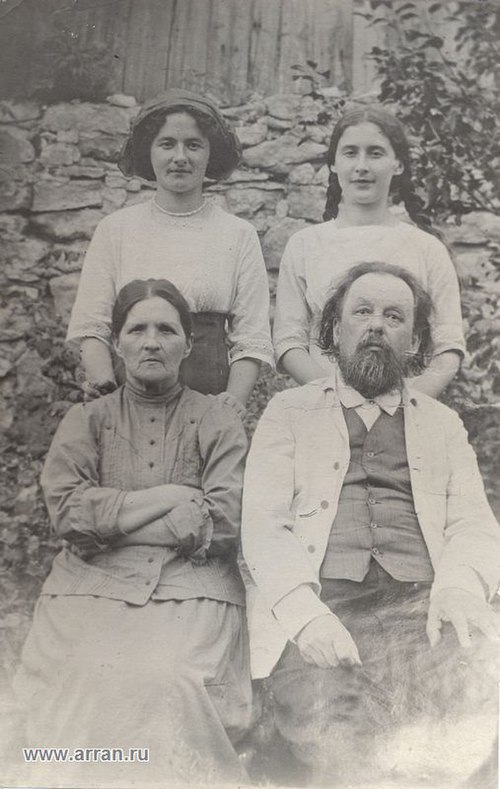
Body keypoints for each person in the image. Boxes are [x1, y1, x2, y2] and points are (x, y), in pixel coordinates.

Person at [242, 262, 500, 786]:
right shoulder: (289, 412)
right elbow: (263, 526)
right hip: (327, 607)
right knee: (338, 737)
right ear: (336, 333)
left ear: (415, 341)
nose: (376, 325)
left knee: (459, 726)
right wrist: (304, 616)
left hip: (423, 609)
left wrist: (459, 589)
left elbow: (473, 521)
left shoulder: (441, 424)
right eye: (362, 312)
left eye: (394, 316)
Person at [14, 279, 252, 786]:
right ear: (117, 342)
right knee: (80, 676)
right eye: (137, 329)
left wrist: (112, 520)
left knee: (166, 680)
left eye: (166, 330)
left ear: (188, 344)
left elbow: (224, 520)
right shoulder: (87, 420)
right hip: (90, 584)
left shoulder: (217, 420)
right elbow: (67, 512)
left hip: (191, 586)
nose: (151, 342)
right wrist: (169, 498)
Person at [67, 88, 273, 403]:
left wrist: (231, 405)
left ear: (210, 153)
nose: (180, 157)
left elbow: (251, 338)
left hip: (208, 404)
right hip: (127, 400)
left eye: (193, 145)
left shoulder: (237, 234)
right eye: (167, 144)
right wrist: (107, 394)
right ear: (149, 152)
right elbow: (90, 327)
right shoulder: (116, 229)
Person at [273, 106, 465, 398]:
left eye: (375, 153)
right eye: (350, 153)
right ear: (334, 164)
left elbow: (449, 345)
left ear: (397, 164)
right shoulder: (305, 245)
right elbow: (289, 341)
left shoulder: (426, 249)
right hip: (324, 406)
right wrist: (334, 397)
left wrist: (411, 402)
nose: (361, 166)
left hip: (407, 411)